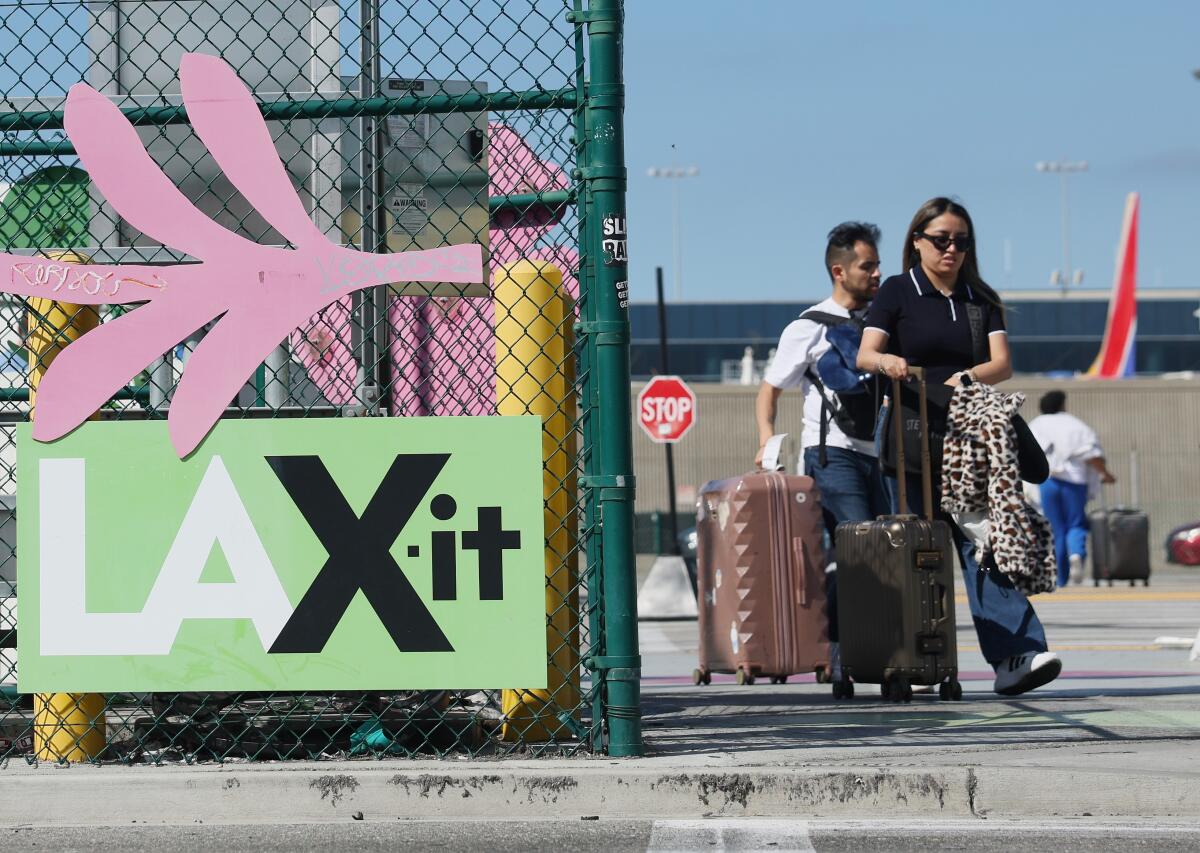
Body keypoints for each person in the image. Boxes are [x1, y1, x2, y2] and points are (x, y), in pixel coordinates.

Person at [857, 197, 1062, 697]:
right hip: (909, 438)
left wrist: (966, 376)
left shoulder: (979, 297)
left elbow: (1002, 364)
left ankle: (1017, 654)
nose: (952, 249)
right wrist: (890, 364)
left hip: (968, 443)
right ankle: (908, 660)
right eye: (942, 240)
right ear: (917, 242)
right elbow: (867, 352)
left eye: (961, 241)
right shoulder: (897, 291)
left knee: (984, 543)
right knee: (908, 549)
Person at [755, 221, 889, 676]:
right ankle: (840, 649)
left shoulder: (878, 325)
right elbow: (770, 390)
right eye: (867, 266)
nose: (876, 274)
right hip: (832, 454)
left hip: (880, 452)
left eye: (877, 265)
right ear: (839, 270)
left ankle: (868, 646)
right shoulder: (808, 327)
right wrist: (765, 442)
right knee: (859, 544)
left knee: (882, 549)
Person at [1029, 390, 1116, 586]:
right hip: (1074, 481)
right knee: (1076, 524)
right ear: (1062, 405)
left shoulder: (1036, 425)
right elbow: (1091, 454)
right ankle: (1076, 554)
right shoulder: (1076, 425)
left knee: (1055, 529)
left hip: (1047, 481)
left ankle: (1060, 579)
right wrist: (1105, 473)